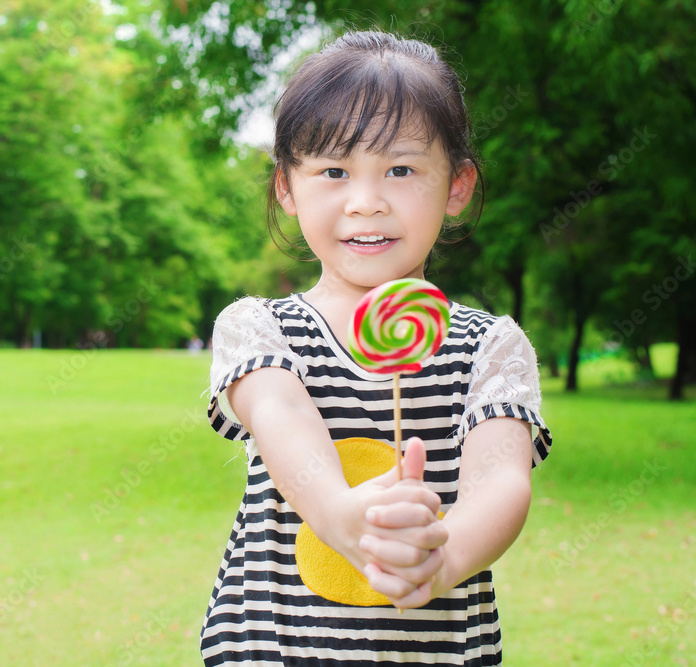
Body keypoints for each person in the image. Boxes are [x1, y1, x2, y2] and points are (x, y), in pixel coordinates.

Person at [201, 29, 553, 665]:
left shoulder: (490, 346)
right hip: (276, 650)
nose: (366, 203)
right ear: (287, 186)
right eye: (333, 171)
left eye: (401, 169)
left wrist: (443, 559)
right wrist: (340, 517)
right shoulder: (257, 328)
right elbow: (281, 416)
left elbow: (501, 480)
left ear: (457, 185)